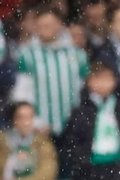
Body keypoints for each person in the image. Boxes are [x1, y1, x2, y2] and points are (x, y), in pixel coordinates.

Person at [59, 62, 120, 180]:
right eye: (99, 78)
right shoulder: (81, 111)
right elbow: (73, 144)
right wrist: (82, 167)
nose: (104, 84)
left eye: (108, 79)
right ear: (89, 81)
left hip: (119, 169)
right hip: (91, 172)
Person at [16, 5, 89, 137]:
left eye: (49, 25)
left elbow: (83, 90)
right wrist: (35, 122)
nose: (45, 29)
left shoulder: (77, 54)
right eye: (42, 25)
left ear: (60, 25)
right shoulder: (27, 55)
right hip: (40, 129)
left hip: (73, 127)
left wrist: (80, 118)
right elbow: (22, 93)